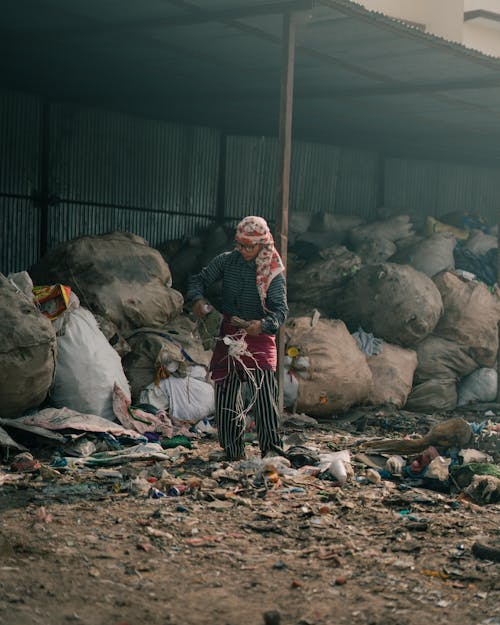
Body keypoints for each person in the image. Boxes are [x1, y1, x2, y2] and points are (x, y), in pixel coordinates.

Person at [187, 215, 288, 460]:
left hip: (259, 336)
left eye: (249, 246)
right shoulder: (226, 262)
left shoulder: (272, 272)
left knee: (264, 396)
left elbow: (281, 312)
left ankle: (271, 451)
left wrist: (262, 325)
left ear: (262, 245)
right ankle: (233, 451)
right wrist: (198, 300)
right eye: (240, 245)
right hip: (230, 331)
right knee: (226, 393)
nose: (243, 250)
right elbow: (198, 280)